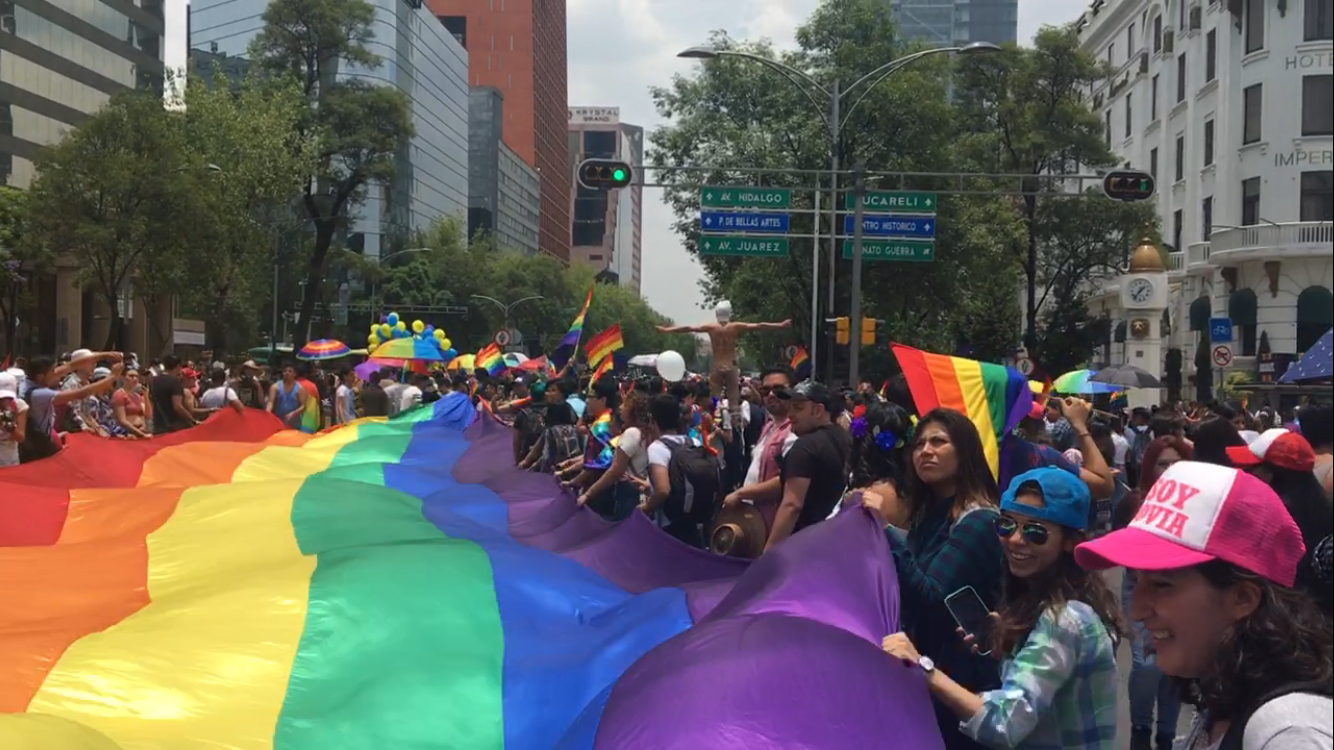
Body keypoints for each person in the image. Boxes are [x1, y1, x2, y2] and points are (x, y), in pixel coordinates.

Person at [1076, 461, 1334, 750]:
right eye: (1136, 581)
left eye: (1162, 584)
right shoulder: (1227, 696)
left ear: (1243, 599)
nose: (1136, 610)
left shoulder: (1288, 732)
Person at [878, 468, 1121, 749]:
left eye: (1035, 531)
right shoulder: (1034, 604)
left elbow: (1005, 723)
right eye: (1007, 525)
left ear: (1069, 542)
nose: (1016, 539)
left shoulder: (1065, 620)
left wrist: (923, 668)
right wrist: (1004, 646)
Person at [655, 300, 790, 422]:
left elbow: (688, 328)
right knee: (733, 397)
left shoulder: (712, 327)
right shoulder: (735, 326)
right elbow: (759, 325)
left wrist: (667, 330)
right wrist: (780, 325)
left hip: (717, 365)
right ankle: (736, 420)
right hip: (730, 365)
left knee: (714, 395)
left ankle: (714, 414)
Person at [764, 380, 851, 551]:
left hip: (805, 547)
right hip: (840, 542)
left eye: (798, 408)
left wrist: (768, 553)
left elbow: (792, 505)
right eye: (791, 408)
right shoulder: (848, 439)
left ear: (818, 410)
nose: (790, 415)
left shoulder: (804, 447)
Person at [150, 355, 196, 434]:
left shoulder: (154, 381)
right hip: (174, 427)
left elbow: (151, 400)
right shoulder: (174, 381)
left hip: (158, 425)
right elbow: (177, 406)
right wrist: (192, 420)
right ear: (178, 366)